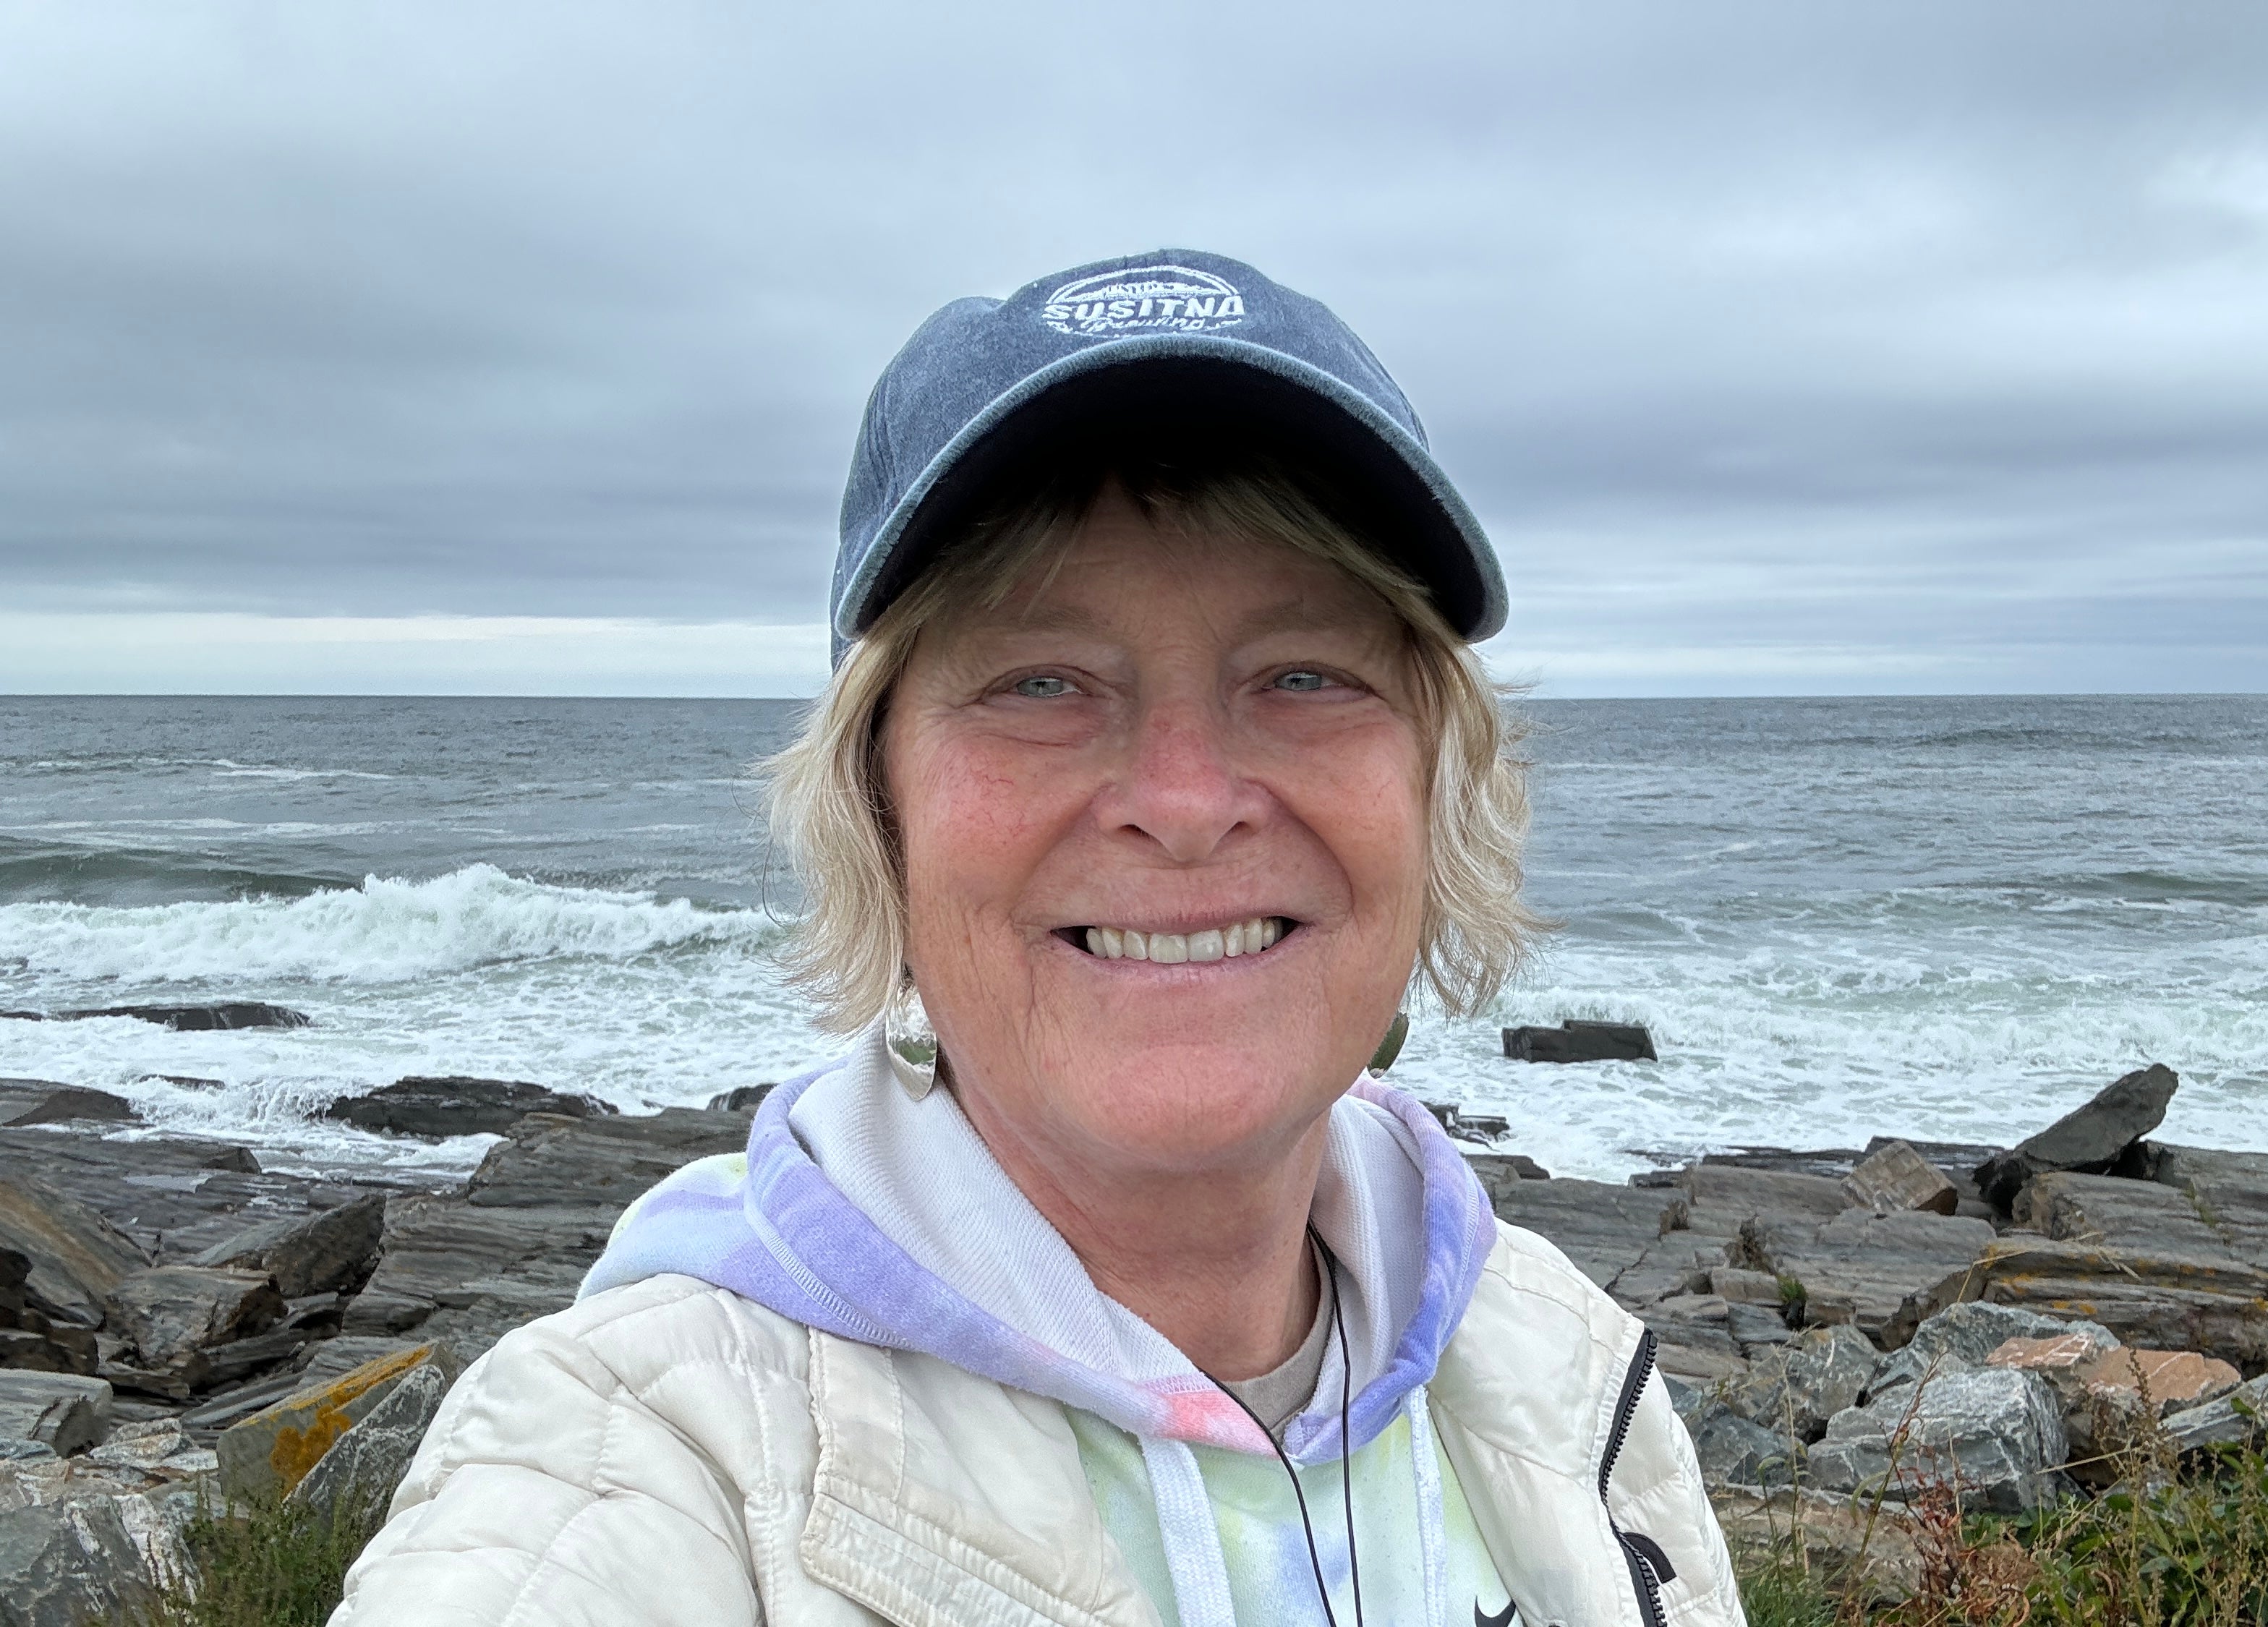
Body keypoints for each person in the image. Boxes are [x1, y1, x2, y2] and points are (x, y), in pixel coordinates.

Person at [331, 252, 1743, 1627]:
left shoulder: (1559, 1366)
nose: (1182, 802)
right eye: (1040, 682)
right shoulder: (631, 1457)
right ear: (877, 803)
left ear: (1432, 781)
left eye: (1305, 673)